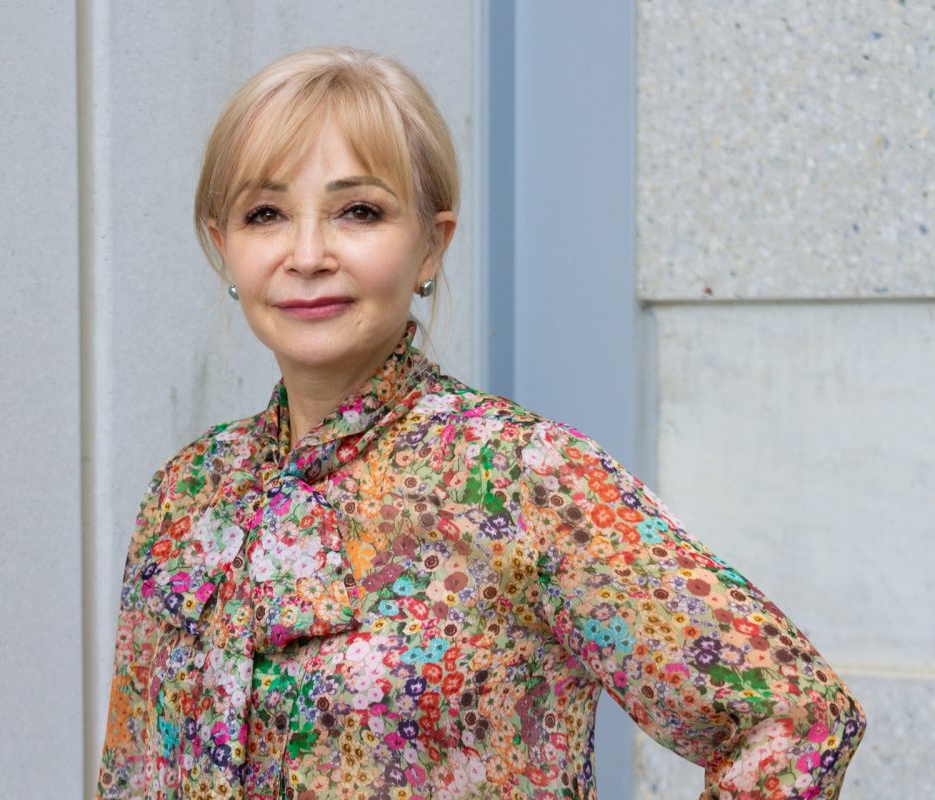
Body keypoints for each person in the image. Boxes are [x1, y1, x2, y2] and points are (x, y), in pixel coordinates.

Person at [96, 47, 866, 800]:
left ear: (433, 242)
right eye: (266, 214)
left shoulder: (521, 479)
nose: (306, 253)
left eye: (358, 211)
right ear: (222, 244)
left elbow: (795, 720)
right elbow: (131, 774)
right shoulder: (188, 494)